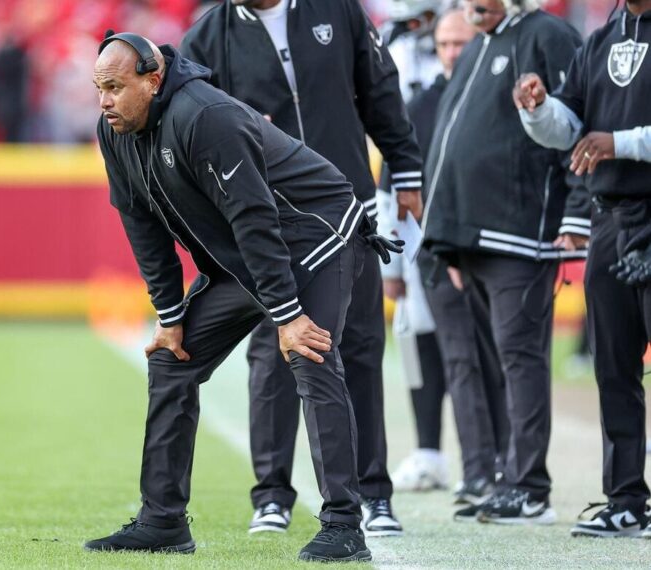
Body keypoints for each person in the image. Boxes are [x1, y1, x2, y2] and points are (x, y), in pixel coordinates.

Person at [84, 32, 401, 562]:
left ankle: (345, 525)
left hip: (313, 235)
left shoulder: (206, 116)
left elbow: (255, 219)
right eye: (99, 88)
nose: (104, 101)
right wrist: (169, 316)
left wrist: (288, 316)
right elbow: (143, 226)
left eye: (115, 87)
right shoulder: (113, 132)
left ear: (153, 79)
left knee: (310, 354)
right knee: (171, 359)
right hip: (247, 256)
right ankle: (162, 520)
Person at [180, 0, 424, 537]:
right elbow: (189, 126)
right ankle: (272, 494)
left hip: (347, 208)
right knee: (273, 350)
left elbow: (379, 87)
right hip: (270, 219)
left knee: (358, 344)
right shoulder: (206, 35)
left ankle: (373, 494)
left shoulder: (337, 10)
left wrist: (405, 165)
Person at [421, 0, 584, 525]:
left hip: (519, 233)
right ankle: (505, 478)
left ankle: (530, 488)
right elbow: (451, 144)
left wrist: (576, 214)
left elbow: (578, 126)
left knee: (520, 358)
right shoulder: (479, 46)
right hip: (473, 237)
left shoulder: (547, 35)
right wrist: (446, 237)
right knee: (497, 363)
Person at [514, 0, 651, 538]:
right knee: (612, 367)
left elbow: (602, 139)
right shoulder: (600, 37)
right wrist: (537, 108)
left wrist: (618, 143)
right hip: (610, 220)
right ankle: (627, 502)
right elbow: (567, 128)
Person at [381, 9, 510, 507]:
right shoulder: (421, 104)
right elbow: (391, 185)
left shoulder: (498, 93)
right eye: (444, 44)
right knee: (460, 361)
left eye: (461, 41)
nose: (453, 52)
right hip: (437, 253)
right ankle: (478, 469)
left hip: (495, 248)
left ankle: (509, 464)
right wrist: (393, 268)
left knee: (502, 360)